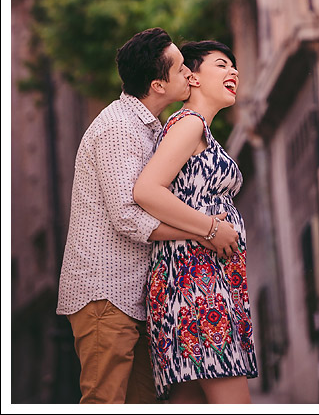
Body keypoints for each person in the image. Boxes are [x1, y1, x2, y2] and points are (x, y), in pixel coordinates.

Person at [56, 28, 239, 404]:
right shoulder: (118, 128)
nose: (189, 74)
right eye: (181, 69)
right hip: (104, 293)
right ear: (158, 85)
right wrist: (206, 230)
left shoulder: (148, 127)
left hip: (136, 295)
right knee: (105, 401)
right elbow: (128, 215)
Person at [133, 39, 258, 404]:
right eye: (221, 64)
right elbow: (147, 190)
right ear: (193, 77)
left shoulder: (197, 128)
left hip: (194, 280)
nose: (233, 71)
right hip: (196, 284)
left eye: (233, 65)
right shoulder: (189, 124)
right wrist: (212, 228)